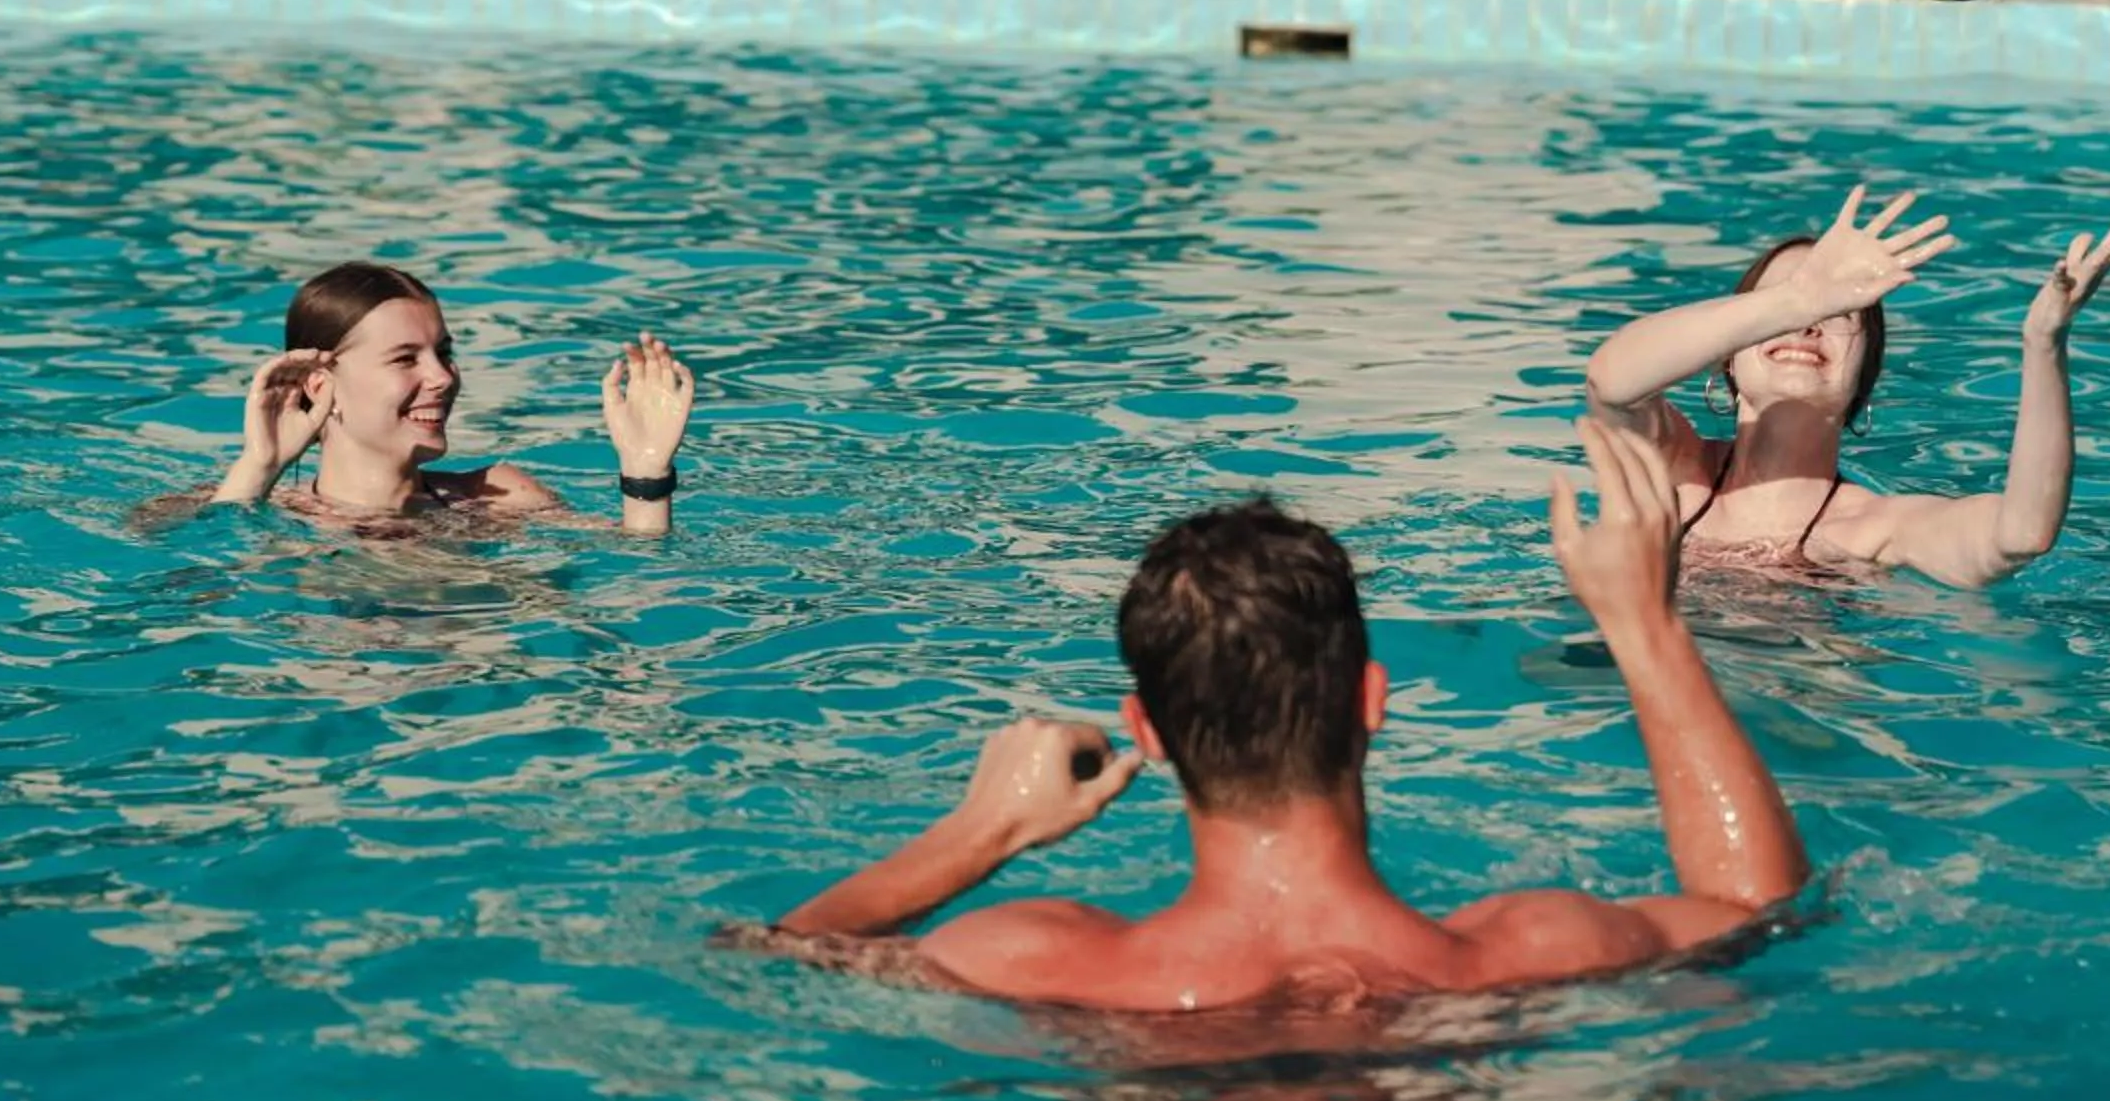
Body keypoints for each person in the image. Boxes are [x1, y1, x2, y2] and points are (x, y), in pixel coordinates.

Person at [718, 421, 1807, 1009]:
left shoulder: (1033, 957)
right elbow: (1757, 910)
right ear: (1371, 701)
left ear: (1146, 731)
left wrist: (983, 830)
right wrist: (1646, 628)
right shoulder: (1526, 947)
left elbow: (765, 955)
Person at [1582, 184, 2110, 588]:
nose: (1807, 323)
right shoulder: (1671, 472)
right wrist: (1799, 298)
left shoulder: (1876, 530)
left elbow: (2021, 533)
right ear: (1727, 358)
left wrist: (2043, 343)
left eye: (1841, 310)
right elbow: (1611, 381)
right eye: (1780, 307)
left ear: (1863, 379)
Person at [206, 261, 696, 536]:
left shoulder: (499, 499)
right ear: (320, 387)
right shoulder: (261, 511)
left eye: (443, 352)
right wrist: (260, 465)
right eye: (404, 359)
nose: (442, 377)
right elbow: (208, 591)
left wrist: (645, 472)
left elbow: (640, 582)